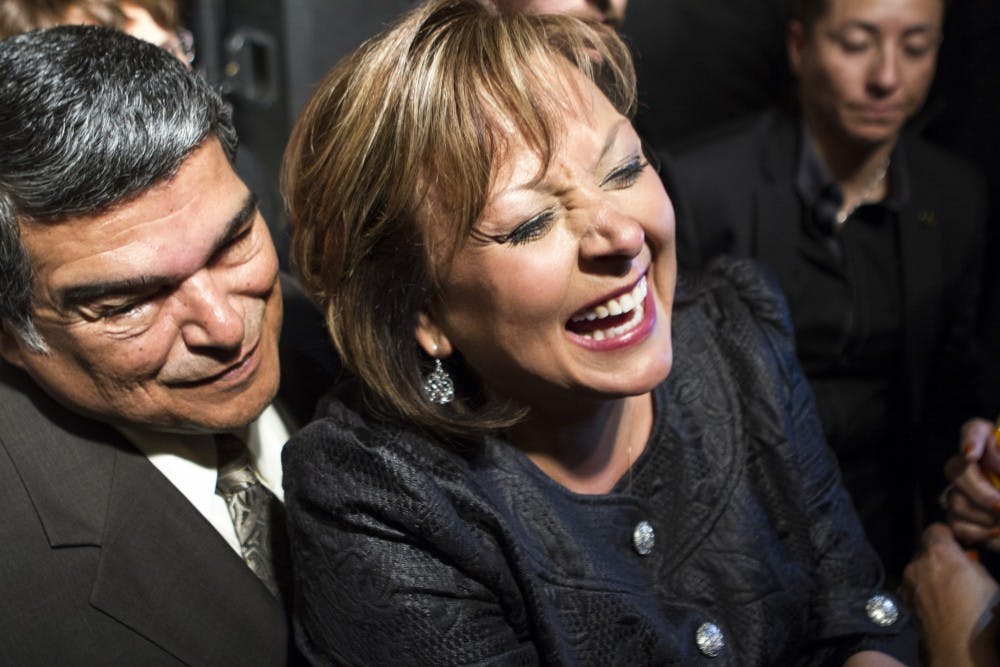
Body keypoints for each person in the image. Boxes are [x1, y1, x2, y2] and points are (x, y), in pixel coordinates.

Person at [281, 1, 915, 663]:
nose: (623, 234)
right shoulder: (377, 496)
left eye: (623, 169)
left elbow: (858, 614)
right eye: (530, 222)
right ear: (425, 313)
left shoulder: (737, 333)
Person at [0, 26, 333, 664]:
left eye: (233, 243)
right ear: (11, 334)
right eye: (130, 303)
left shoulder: (333, 335)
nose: (227, 327)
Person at [671, 0, 988, 583]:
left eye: (916, 48)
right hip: (743, 546)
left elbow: (955, 380)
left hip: (898, 542)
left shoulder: (955, 195)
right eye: (856, 43)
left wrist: (974, 450)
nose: (887, 77)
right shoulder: (700, 190)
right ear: (799, 47)